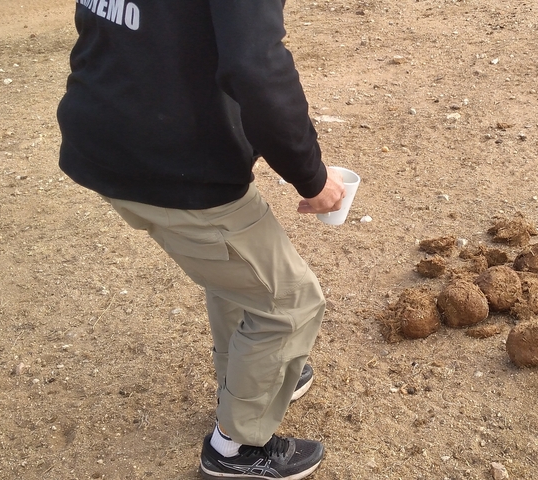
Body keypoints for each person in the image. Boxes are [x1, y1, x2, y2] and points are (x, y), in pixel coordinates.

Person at [56, 1, 344, 478]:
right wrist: (311, 176)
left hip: (100, 135)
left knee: (235, 274)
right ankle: (235, 449)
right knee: (289, 303)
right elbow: (256, 67)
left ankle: (250, 378)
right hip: (171, 164)